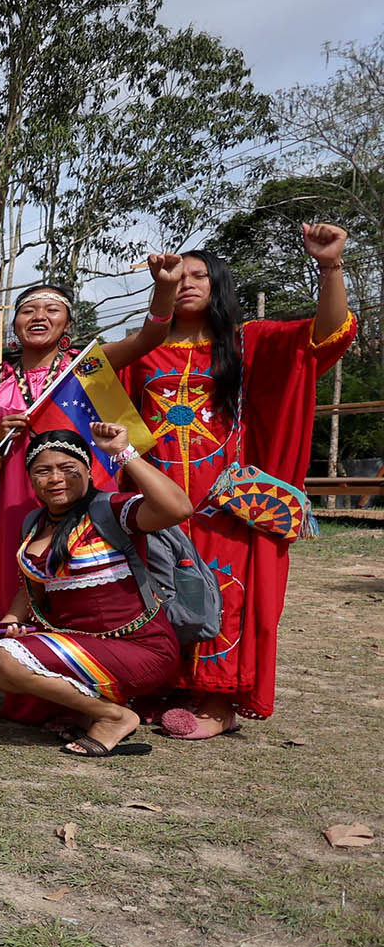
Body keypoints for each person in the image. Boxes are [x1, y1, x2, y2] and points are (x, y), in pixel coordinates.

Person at [124, 225, 354, 738]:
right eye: (177, 274)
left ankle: (216, 700)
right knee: (156, 589)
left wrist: (330, 266)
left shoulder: (248, 343)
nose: (187, 282)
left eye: (198, 275)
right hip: (155, 496)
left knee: (221, 592)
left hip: (222, 500)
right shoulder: (142, 350)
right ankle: (164, 685)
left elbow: (325, 336)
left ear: (218, 283)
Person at [0, 423, 196, 757]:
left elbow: (179, 508)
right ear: (31, 479)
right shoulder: (33, 523)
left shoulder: (112, 510)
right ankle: (95, 708)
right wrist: (7, 623)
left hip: (142, 647)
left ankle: (113, 717)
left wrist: (123, 452)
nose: (55, 479)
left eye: (67, 469)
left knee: (5, 658)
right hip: (81, 645)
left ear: (89, 472)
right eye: (43, 471)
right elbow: (32, 589)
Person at [0, 265, 176, 613]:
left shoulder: (88, 365)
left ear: (67, 325)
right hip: (17, 496)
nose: (39, 316)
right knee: (21, 578)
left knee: (82, 578)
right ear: (14, 325)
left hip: (84, 493)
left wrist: (164, 288)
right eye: (28, 310)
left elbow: (149, 337)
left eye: (51, 309)